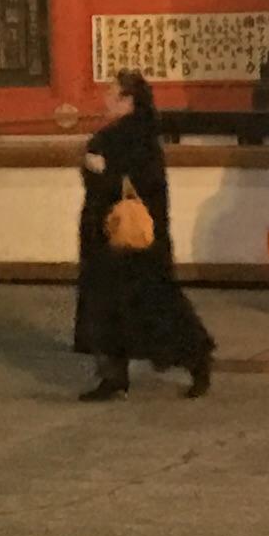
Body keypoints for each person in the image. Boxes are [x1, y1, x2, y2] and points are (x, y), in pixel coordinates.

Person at [74, 72, 213, 400]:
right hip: (141, 238)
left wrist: (96, 169)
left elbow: (116, 184)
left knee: (127, 305)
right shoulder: (146, 136)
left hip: (119, 238)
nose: (105, 99)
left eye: (112, 94)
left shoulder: (122, 138)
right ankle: (189, 362)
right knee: (140, 304)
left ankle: (120, 376)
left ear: (127, 100)